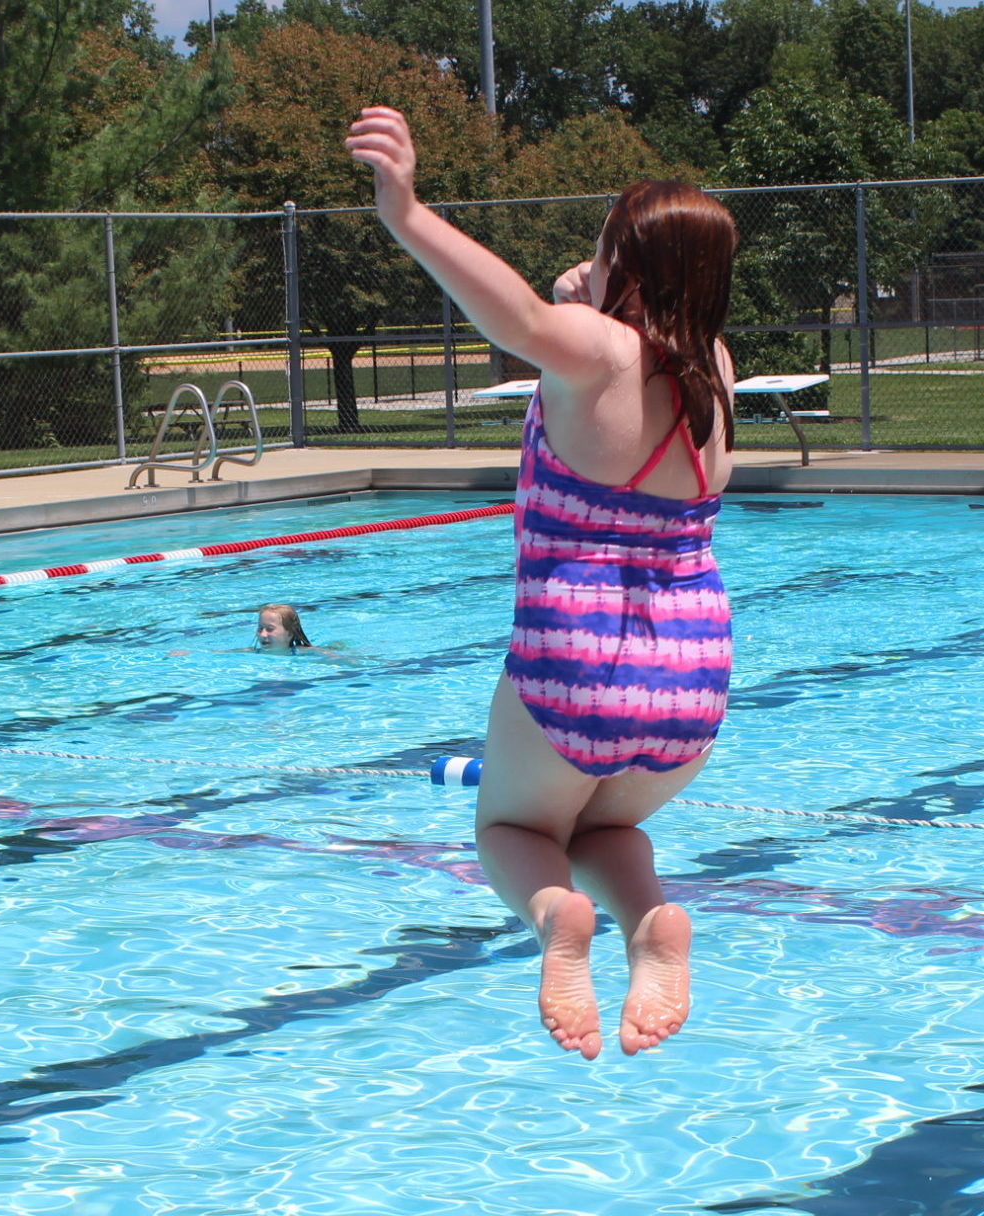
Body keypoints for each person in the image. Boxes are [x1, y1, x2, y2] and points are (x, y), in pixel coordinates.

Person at [347, 107, 737, 1060]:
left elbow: (516, 313)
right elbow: (605, 327)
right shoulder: (715, 371)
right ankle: (648, 923)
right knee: (607, 828)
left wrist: (406, 212)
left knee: (512, 827)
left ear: (627, 271)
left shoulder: (588, 351)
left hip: (577, 651)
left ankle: (556, 922)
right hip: (690, 673)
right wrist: (598, 283)